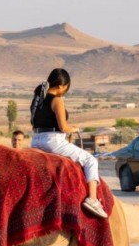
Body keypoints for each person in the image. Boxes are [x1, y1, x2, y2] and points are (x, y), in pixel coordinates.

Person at [30, 68, 107, 218]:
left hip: (36, 140)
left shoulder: (37, 99)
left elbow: (34, 125)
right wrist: (75, 128)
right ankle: (92, 199)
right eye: (66, 88)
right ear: (61, 86)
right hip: (53, 141)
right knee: (91, 160)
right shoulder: (57, 100)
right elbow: (63, 127)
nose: (65, 91)